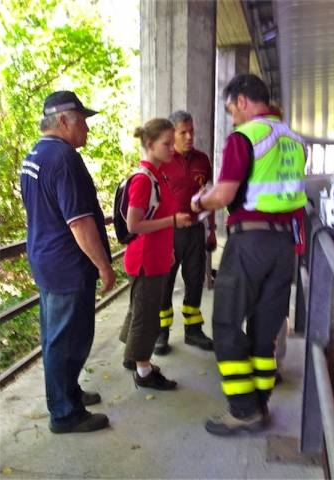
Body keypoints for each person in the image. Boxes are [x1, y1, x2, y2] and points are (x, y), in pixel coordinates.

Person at [190, 74, 307, 436]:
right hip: (284, 246)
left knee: (225, 323)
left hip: (250, 244)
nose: (232, 118)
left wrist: (199, 201)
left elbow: (224, 195)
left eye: (230, 110)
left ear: (242, 101)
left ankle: (243, 409)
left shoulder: (246, 137)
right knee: (264, 329)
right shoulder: (294, 140)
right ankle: (260, 403)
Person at [20, 91, 116, 434]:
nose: (87, 129)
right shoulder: (63, 159)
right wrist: (104, 266)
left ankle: (68, 393)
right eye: (83, 121)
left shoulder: (35, 154)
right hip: (67, 265)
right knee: (69, 339)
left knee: (55, 336)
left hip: (46, 260)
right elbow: (79, 222)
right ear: (64, 121)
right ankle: (64, 413)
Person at [119, 118, 192, 389]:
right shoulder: (143, 180)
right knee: (147, 317)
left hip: (157, 256)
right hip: (145, 259)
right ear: (150, 145)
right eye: (167, 143)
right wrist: (172, 222)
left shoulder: (158, 174)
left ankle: (134, 358)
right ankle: (144, 371)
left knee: (141, 310)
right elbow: (134, 224)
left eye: (172, 143)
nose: (172, 148)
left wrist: (170, 248)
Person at [154, 111, 216, 355]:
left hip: (195, 232)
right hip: (168, 233)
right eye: (183, 132)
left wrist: (211, 230)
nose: (190, 136)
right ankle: (161, 332)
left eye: (192, 131)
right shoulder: (162, 161)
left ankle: (193, 330)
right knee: (165, 283)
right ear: (172, 134)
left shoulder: (202, 160)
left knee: (195, 280)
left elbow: (208, 196)